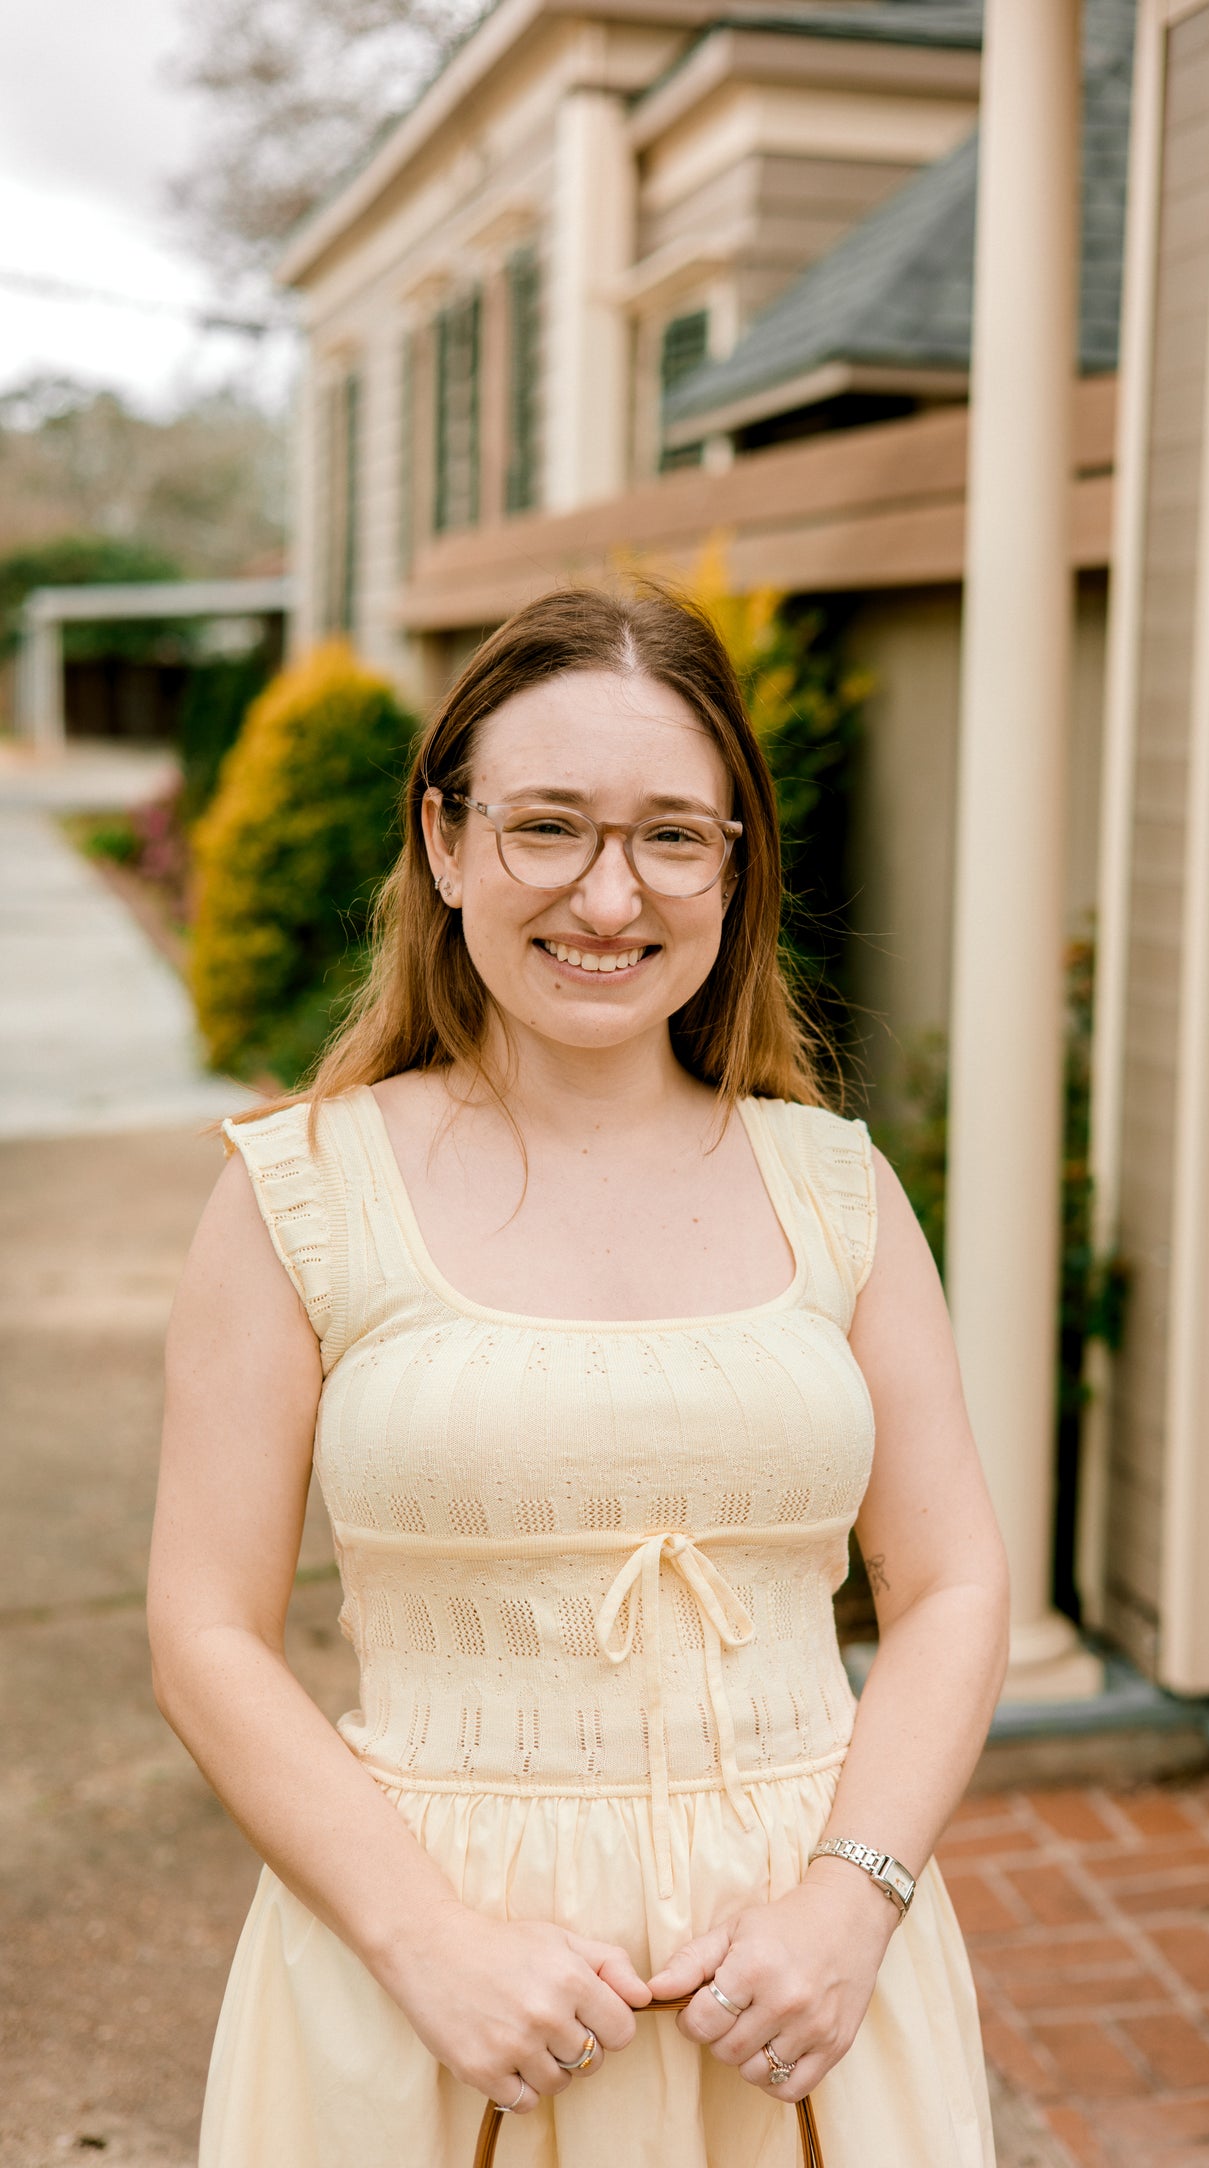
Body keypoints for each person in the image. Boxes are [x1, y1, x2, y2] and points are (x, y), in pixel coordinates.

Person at [148, 584, 1010, 2168]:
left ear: (733, 867)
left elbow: (950, 1583)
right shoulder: (301, 1190)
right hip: (435, 2003)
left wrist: (850, 1901)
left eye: (673, 837)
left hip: (801, 1998)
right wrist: (428, 1947)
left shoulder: (836, 1186)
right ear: (447, 841)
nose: (609, 898)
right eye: (548, 827)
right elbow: (205, 1632)